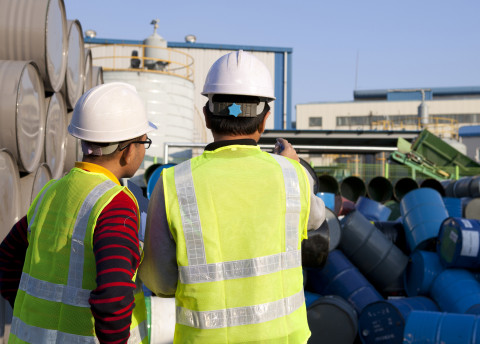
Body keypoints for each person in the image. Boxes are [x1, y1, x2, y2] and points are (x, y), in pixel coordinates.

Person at [140, 50, 325, 343]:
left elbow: (159, 281)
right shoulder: (292, 176)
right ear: (264, 120)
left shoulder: (173, 183)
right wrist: (294, 164)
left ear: (206, 117)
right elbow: (316, 218)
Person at [0, 82, 156, 343]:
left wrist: (31, 311)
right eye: (144, 142)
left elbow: (6, 258)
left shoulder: (50, 192)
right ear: (129, 151)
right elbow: (114, 296)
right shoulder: (115, 203)